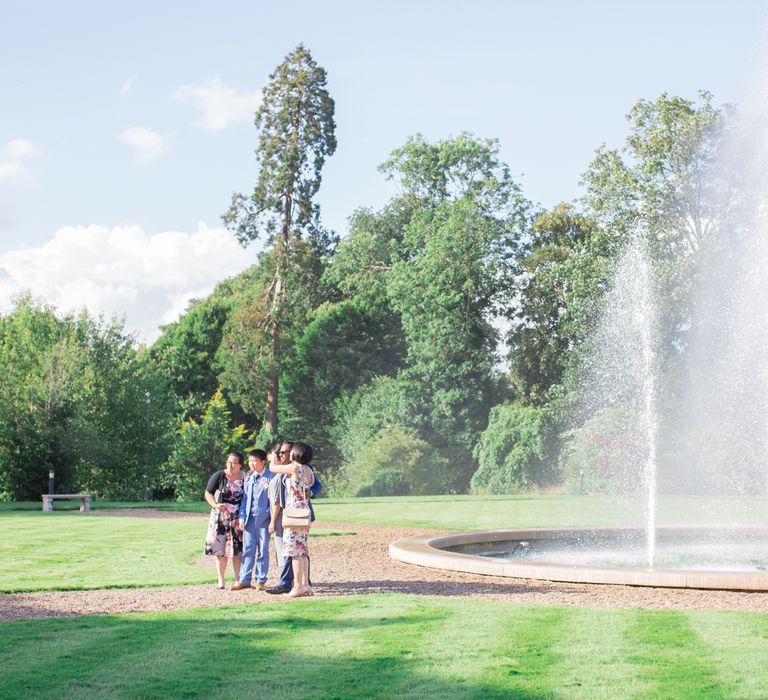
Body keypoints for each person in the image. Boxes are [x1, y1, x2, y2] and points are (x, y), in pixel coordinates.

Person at [267, 441, 321, 594]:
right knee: (303, 551)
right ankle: (305, 584)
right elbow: (311, 485)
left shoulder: (294, 467)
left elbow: (272, 468)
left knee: (294, 552)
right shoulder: (307, 470)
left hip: (293, 513)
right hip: (304, 512)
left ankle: (297, 586)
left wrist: (272, 457)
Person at [232, 449, 274, 591]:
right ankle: (244, 579)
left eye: (255, 461)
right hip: (249, 519)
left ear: (263, 462)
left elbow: (274, 501)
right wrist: (242, 517)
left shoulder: (271, 477)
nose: (252, 464)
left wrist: (272, 520)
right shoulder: (249, 477)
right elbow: (245, 499)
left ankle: (260, 580)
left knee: (263, 550)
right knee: (248, 550)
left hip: (264, 519)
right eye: (250, 461)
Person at [204, 451, 245, 589]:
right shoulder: (219, 475)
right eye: (229, 462)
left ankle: (238, 580)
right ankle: (221, 581)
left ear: (240, 465)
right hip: (220, 517)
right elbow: (208, 493)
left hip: (237, 518)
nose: (230, 465)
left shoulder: (245, 477)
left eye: (234, 462)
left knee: (237, 550)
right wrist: (215, 505)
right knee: (220, 550)